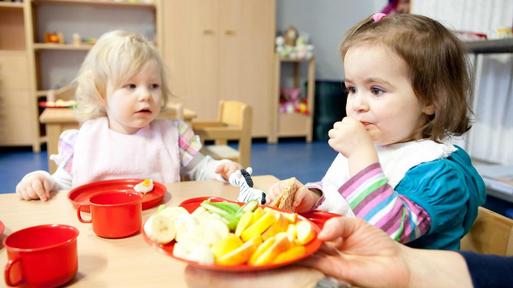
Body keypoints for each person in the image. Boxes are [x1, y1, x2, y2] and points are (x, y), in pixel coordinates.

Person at [267, 13, 486, 250]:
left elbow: (390, 230)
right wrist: (311, 197)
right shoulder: (375, 146)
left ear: (430, 99)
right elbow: (340, 194)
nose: (357, 103)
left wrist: (360, 154)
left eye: (376, 90)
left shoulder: (439, 174)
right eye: (351, 89)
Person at [16, 30, 241, 201]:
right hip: (98, 235)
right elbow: (63, 183)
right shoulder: (84, 140)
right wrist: (41, 180)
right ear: (101, 94)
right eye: (131, 86)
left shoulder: (173, 135)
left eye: (153, 85)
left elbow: (200, 169)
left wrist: (218, 169)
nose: (146, 95)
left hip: (157, 230)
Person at [301, 216, 513, 288]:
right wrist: (315, 194)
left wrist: (360, 155)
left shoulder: (442, 171)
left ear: (429, 109)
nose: (357, 109)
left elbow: (392, 227)